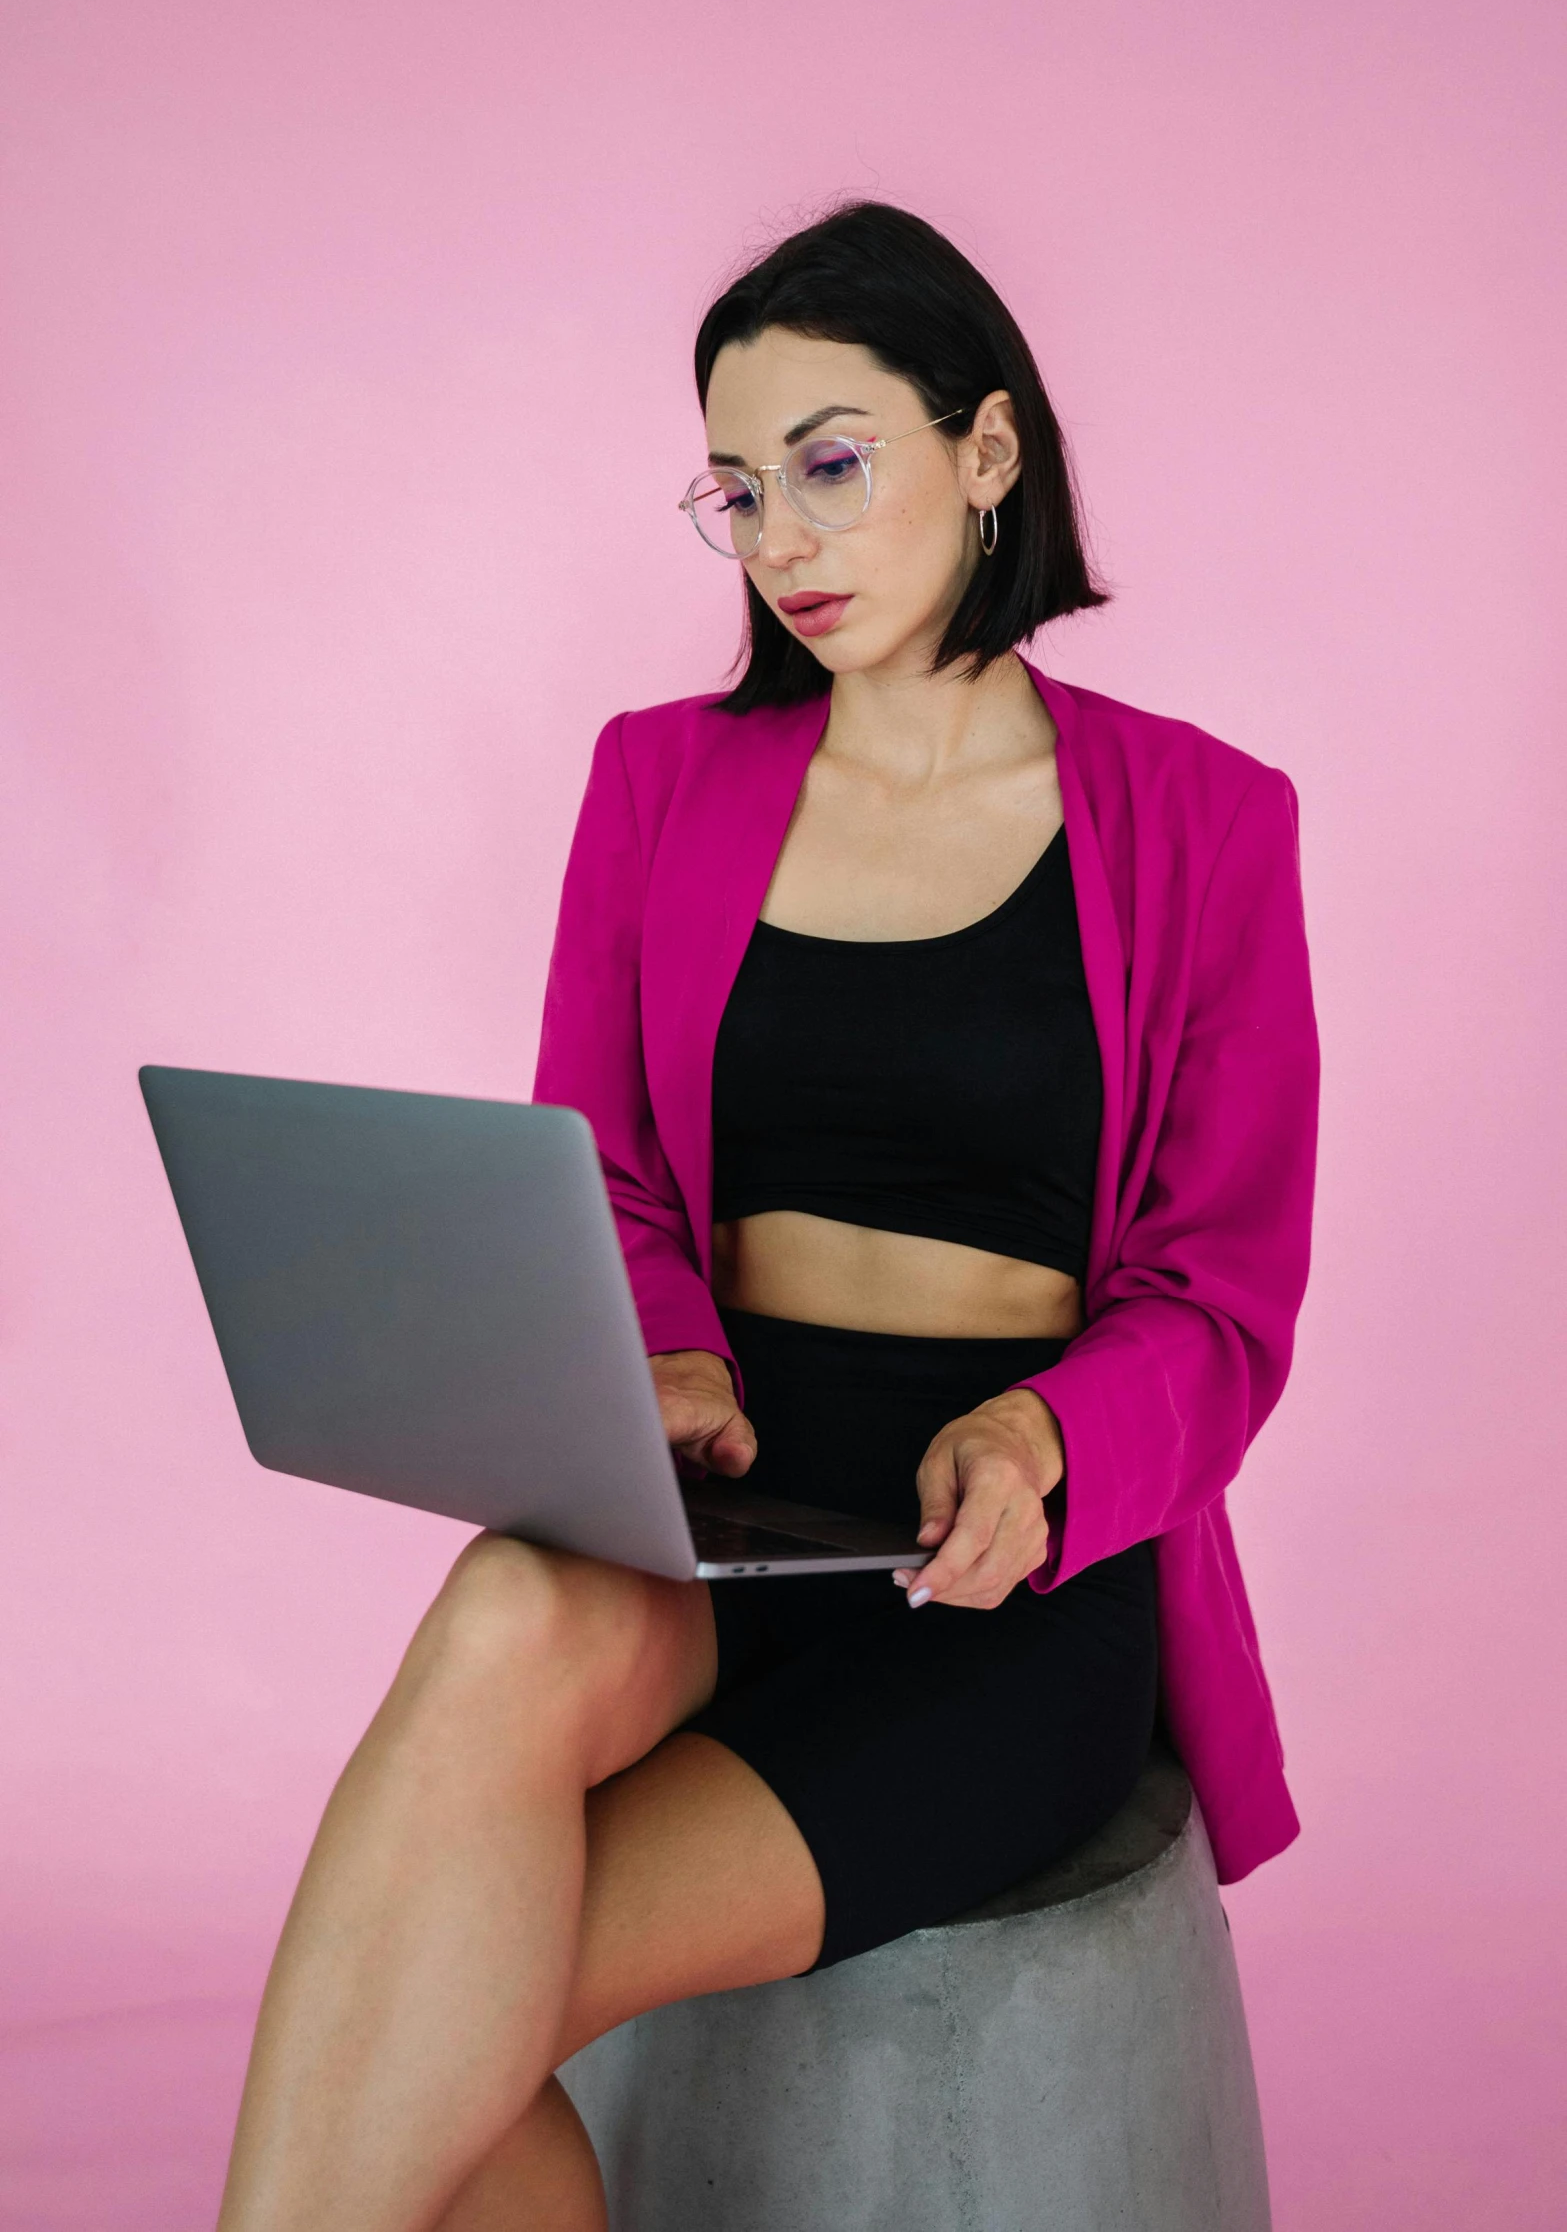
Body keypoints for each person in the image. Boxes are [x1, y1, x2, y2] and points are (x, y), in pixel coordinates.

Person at [215, 201, 1319, 2231]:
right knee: (504, 1607)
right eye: (739, 487)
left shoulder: (1207, 819)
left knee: (435, 2021)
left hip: (986, 1575)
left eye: (833, 459)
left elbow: (1222, 1294)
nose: (783, 535)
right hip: (718, 1497)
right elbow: (609, 1165)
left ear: (988, 451)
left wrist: (1048, 1436)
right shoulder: (658, 783)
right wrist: (668, 1349)